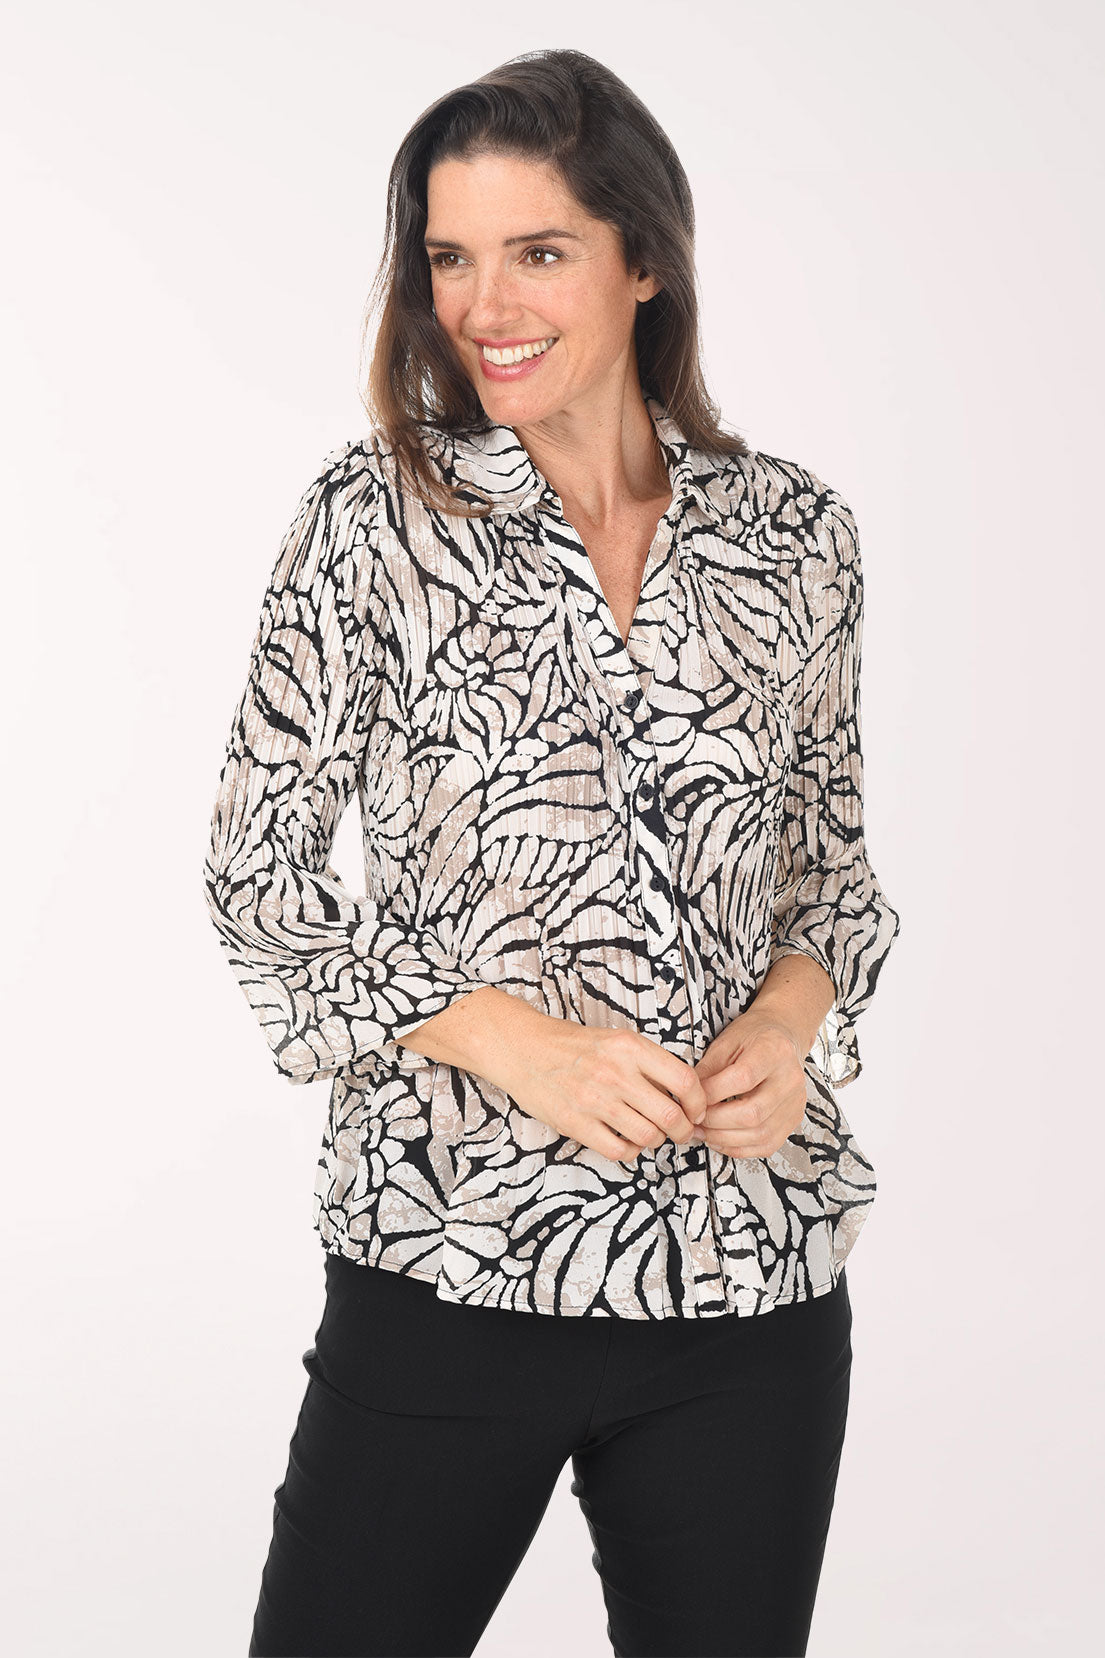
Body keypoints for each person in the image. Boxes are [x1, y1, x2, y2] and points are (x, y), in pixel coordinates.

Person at [203, 46, 902, 1658]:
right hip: (449, 1258)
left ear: (643, 259)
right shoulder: (374, 522)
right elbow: (258, 879)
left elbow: (831, 870)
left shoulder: (797, 537)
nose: (484, 304)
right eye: (449, 257)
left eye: (537, 251)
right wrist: (516, 1044)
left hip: (745, 1280)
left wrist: (785, 1026)